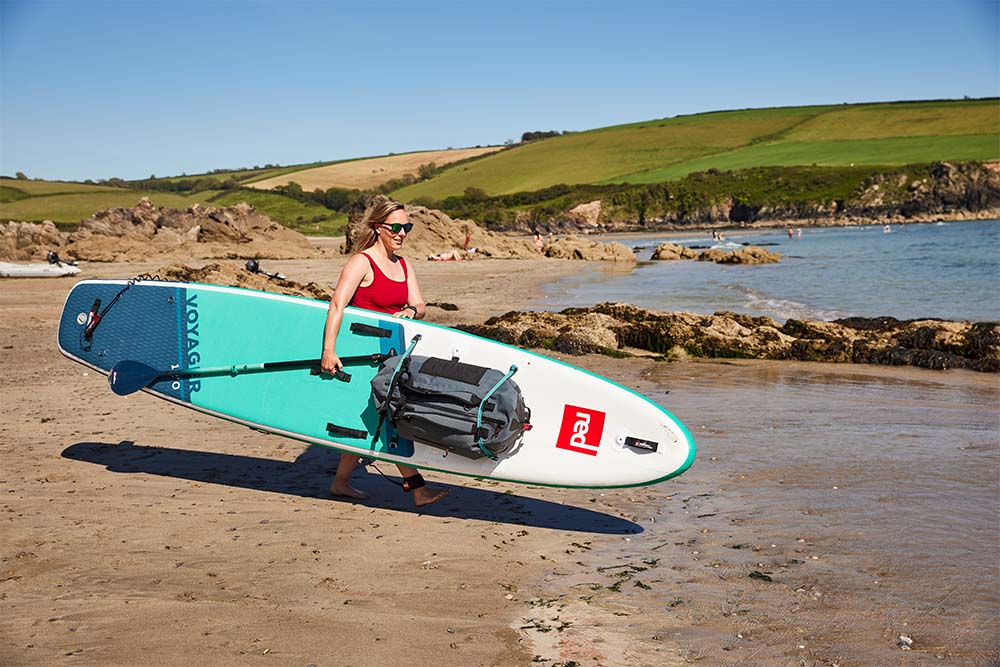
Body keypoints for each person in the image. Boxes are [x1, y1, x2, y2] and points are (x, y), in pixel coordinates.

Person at [320, 200, 450, 506]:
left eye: (407, 227)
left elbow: (420, 305)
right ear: (379, 228)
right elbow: (337, 304)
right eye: (396, 227)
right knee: (387, 416)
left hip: (393, 356)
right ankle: (417, 487)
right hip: (363, 356)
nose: (402, 233)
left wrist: (410, 310)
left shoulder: (404, 265)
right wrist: (329, 349)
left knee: (368, 417)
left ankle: (340, 483)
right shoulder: (361, 263)